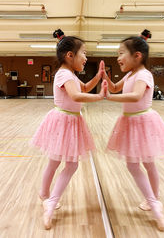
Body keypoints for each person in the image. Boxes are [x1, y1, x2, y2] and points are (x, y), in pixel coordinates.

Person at [102, 31, 164, 231]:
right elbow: (117, 88)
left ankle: (154, 200)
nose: (118, 58)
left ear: (137, 56)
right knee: (134, 165)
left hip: (143, 122)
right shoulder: (130, 74)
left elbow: (135, 96)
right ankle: (153, 200)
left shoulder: (144, 75)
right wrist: (106, 78)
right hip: (129, 123)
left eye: (121, 53)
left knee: (148, 164)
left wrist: (108, 97)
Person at [31, 29, 105, 229]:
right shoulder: (64, 74)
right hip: (65, 121)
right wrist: (99, 97)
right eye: (84, 54)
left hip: (69, 121)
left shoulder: (69, 73)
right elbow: (76, 96)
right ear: (70, 55)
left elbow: (85, 88)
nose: (86, 58)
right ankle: (50, 201)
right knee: (69, 165)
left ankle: (45, 194)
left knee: (55, 162)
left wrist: (98, 77)